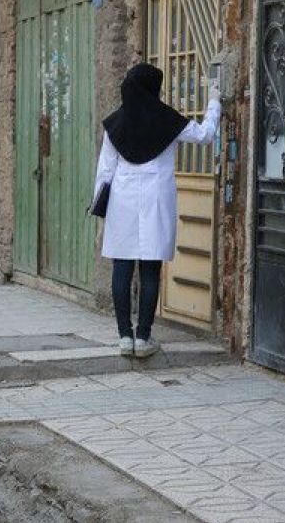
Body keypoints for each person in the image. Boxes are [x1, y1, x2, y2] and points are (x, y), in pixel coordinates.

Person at [93, 63, 221, 359]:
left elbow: (105, 172)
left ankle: (124, 337)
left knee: (122, 267)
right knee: (151, 268)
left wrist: (99, 213)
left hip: (122, 201)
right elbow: (204, 136)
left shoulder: (115, 124)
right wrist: (213, 101)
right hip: (156, 200)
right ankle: (144, 337)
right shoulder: (167, 120)